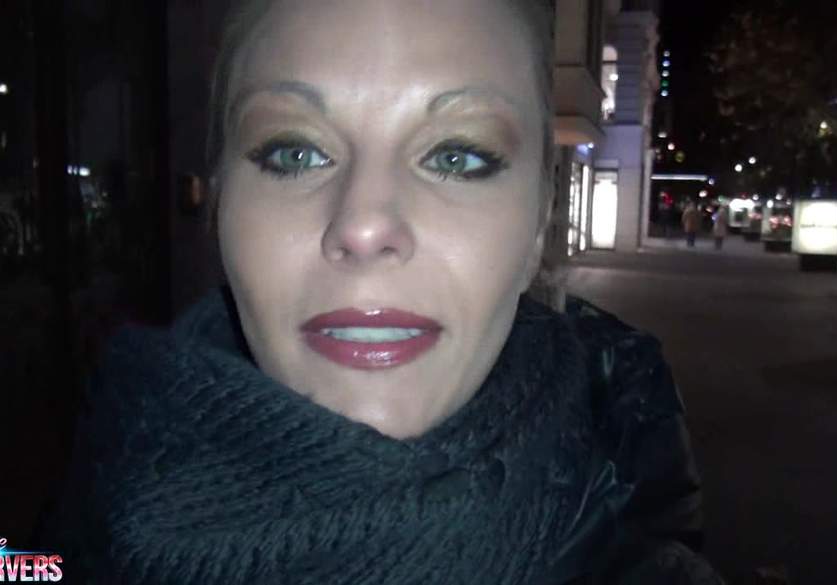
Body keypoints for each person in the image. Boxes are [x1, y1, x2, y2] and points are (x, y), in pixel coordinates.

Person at [39, 1, 723, 583]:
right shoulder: (55, 536)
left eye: (457, 155)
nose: (364, 226)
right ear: (220, 208)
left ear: (537, 228)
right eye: (295, 153)